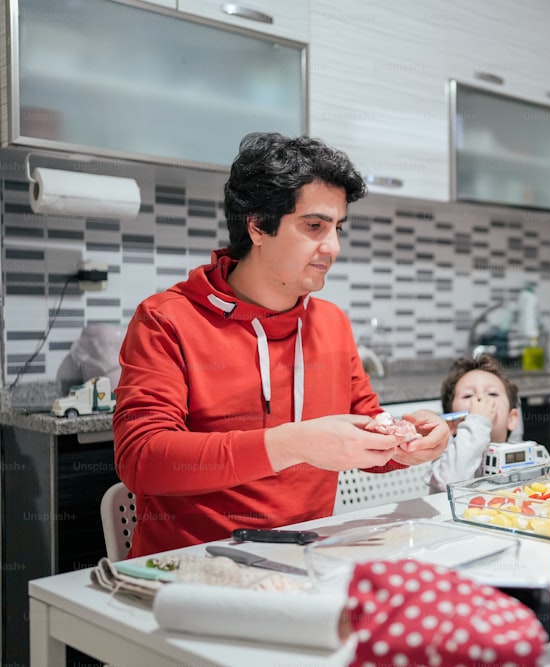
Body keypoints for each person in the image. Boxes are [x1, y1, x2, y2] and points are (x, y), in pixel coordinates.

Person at [113, 132, 450, 557]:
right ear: (257, 225)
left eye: (337, 228)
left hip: (308, 560)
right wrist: (294, 443)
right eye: (314, 226)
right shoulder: (166, 319)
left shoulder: (331, 323)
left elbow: (368, 437)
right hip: (192, 572)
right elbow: (142, 459)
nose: (333, 247)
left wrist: (408, 445)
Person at [427, 354, 522, 492]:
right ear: (451, 423)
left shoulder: (525, 455)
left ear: (511, 419)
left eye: (493, 394)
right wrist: (478, 421)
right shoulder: (445, 462)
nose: (481, 398)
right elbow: (451, 483)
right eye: (468, 395)